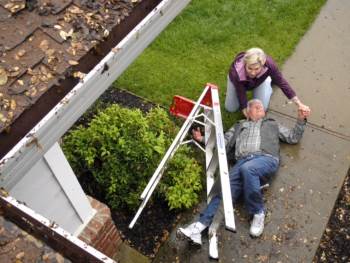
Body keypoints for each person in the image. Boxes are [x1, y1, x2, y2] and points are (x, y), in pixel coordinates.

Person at [177, 99, 310, 245]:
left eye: (261, 107)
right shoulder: (239, 126)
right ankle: (198, 228)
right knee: (224, 191)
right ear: (248, 112)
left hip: (265, 158)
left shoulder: (272, 123)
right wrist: (202, 138)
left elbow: (293, 137)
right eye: (256, 107)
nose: (260, 108)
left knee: (249, 169)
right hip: (241, 162)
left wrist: (301, 119)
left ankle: (258, 212)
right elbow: (223, 143)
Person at [225, 47, 310, 118]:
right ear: (245, 64)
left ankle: (267, 81)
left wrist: (299, 104)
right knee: (231, 108)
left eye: (257, 69)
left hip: (259, 81)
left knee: (263, 108)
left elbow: (281, 82)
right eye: (250, 68)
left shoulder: (270, 65)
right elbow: (241, 93)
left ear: (262, 64)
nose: (253, 73)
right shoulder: (236, 72)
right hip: (237, 82)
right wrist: (245, 110)